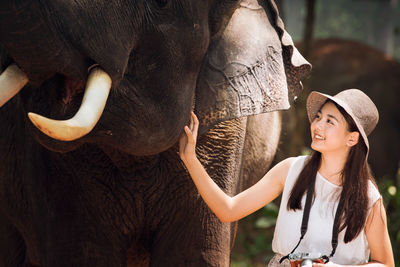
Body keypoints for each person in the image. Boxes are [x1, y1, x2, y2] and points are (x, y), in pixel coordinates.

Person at [179, 89, 394, 267]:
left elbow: (385, 264)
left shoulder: (368, 198)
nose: (317, 126)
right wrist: (190, 159)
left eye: (330, 121)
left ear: (352, 138)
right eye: (318, 117)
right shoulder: (292, 169)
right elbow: (228, 210)